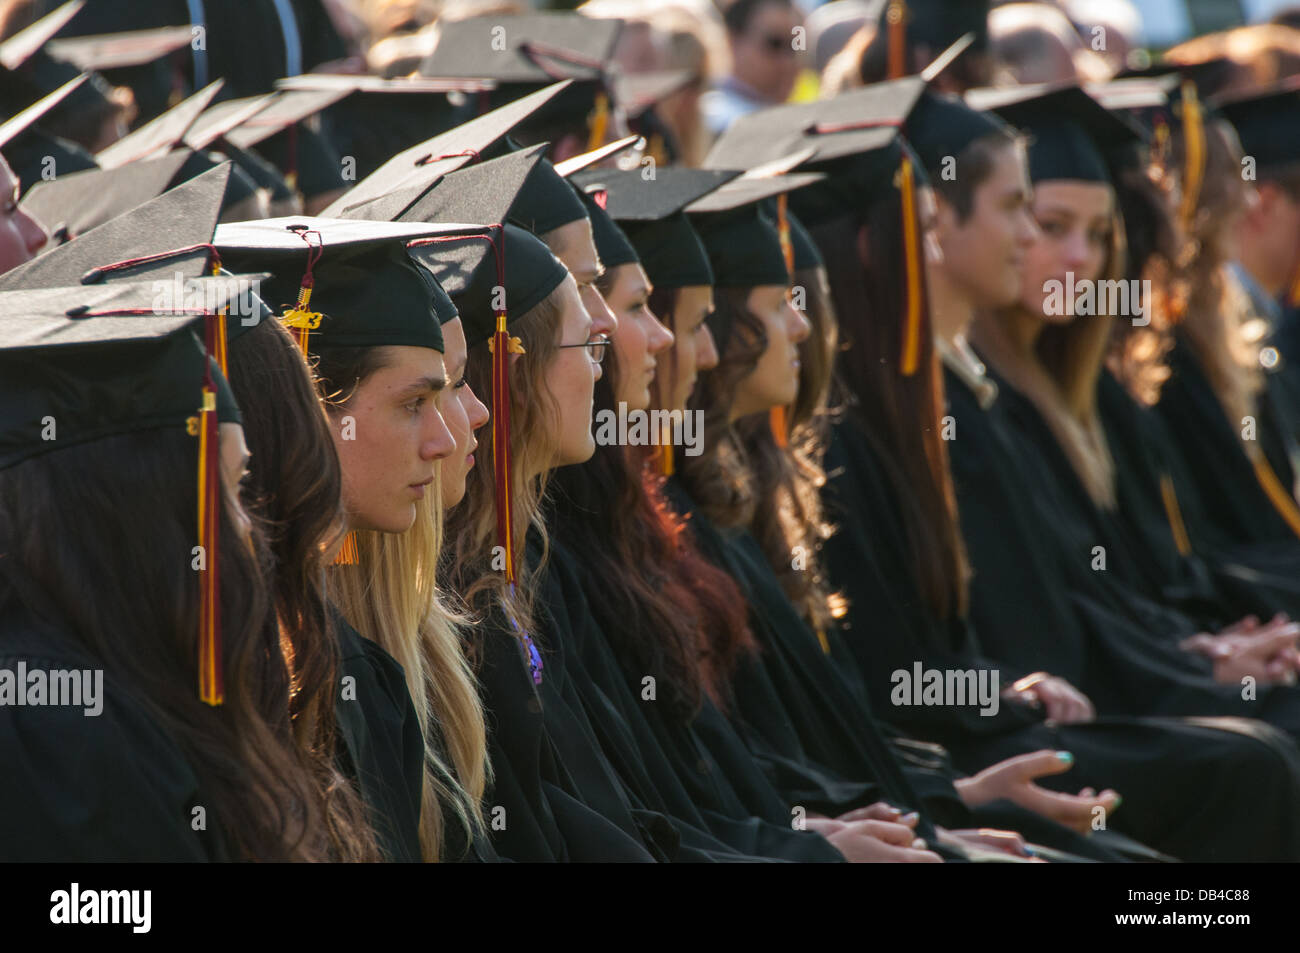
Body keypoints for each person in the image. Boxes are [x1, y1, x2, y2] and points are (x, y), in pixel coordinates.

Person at [0, 279, 366, 860]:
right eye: (224, 490)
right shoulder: (56, 734)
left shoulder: (135, 693)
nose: (249, 529)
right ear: (131, 510)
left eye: (243, 484)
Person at [216, 217, 490, 862]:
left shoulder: (367, 659)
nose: (447, 437)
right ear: (310, 409)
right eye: (413, 403)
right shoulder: (280, 675)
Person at [701, 0, 804, 136]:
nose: (788, 60)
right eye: (775, 43)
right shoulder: (713, 123)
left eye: (796, 46)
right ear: (732, 40)